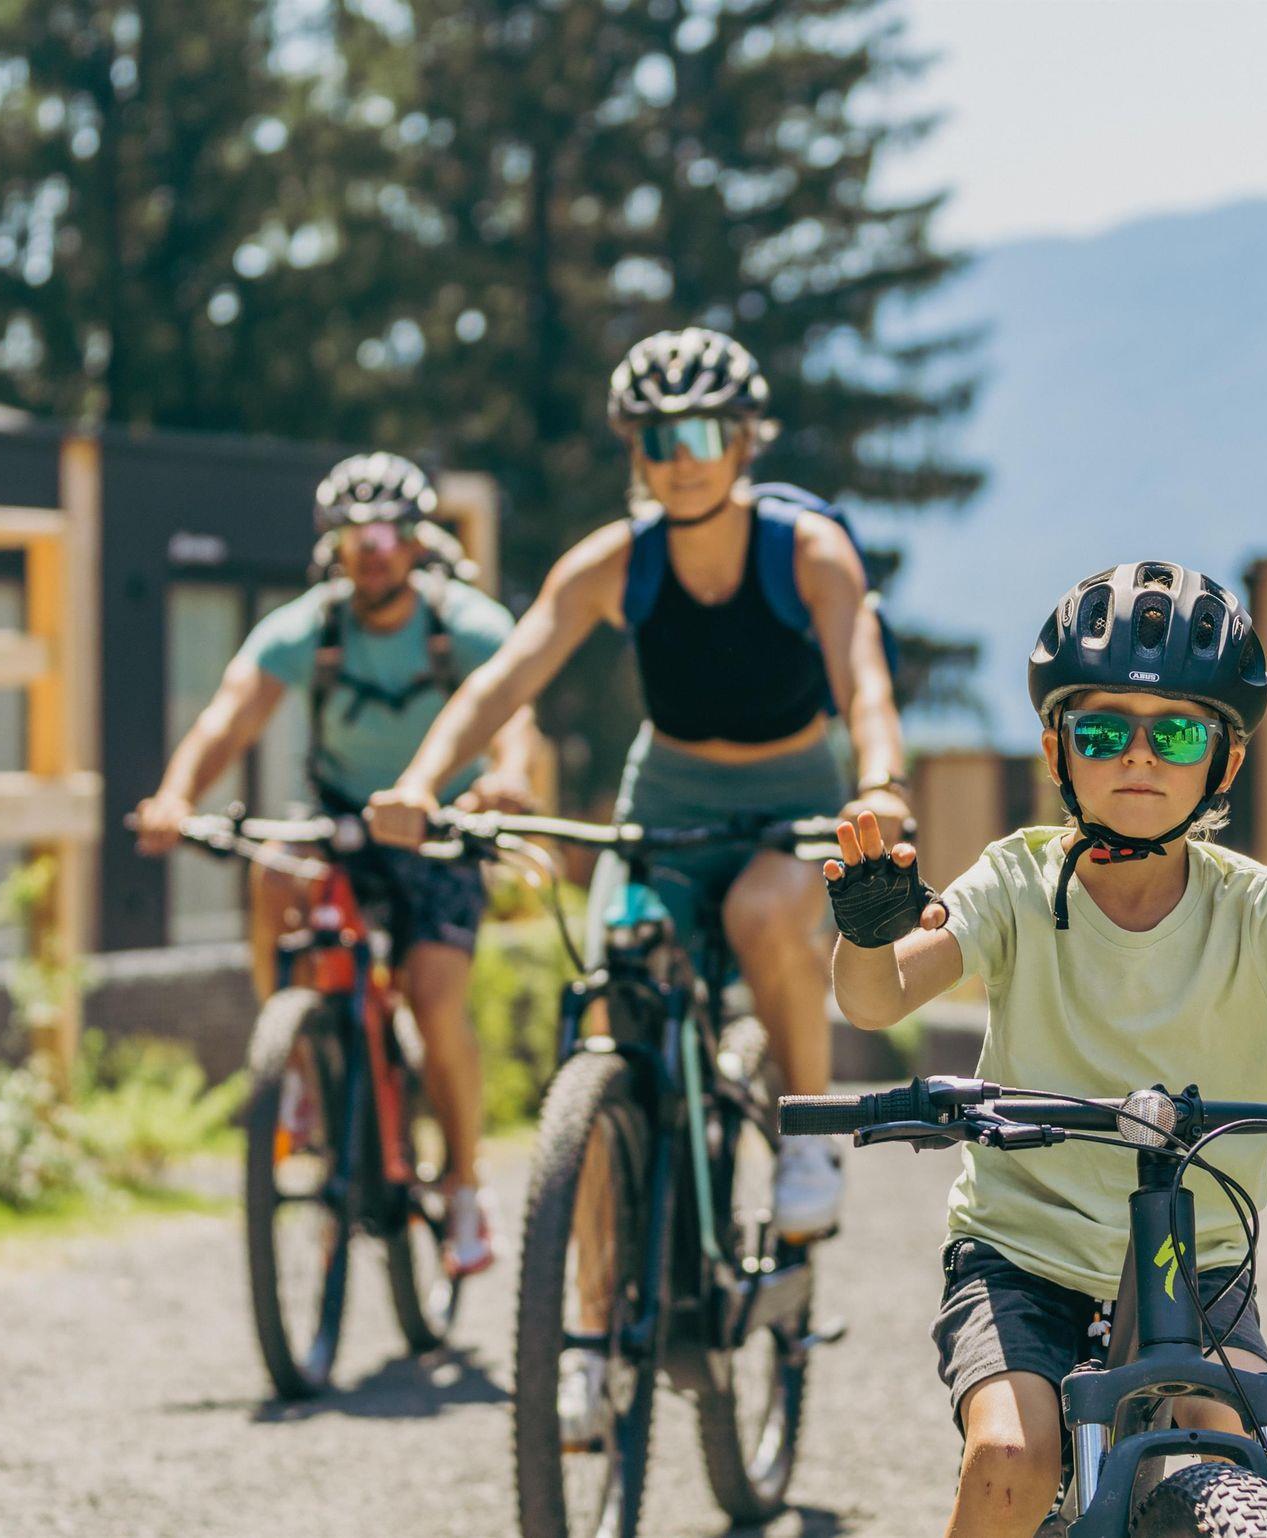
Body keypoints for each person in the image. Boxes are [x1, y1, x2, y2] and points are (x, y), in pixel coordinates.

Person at [820, 560, 1267, 1538]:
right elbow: (879, 997)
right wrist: (867, 937)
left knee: (1249, 1448)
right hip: (1024, 1252)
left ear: (1223, 763)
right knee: (1009, 1458)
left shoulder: (1253, 909)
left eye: (1178, 733)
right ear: (1056, 749)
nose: (1138, 758)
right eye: (1102, 732)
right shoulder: (1018, 881)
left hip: (1200, 1262)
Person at [364, 328, 911, 1426]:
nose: (682, 458)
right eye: (658, 438)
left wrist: (882, 782)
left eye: (704, 432)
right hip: (665, 793)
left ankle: (808, 1141)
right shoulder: (614, 562)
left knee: (764, 912)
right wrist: (420, 779)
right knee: (612, 1001)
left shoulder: (807, 551)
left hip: (793, 791)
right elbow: (503, 679)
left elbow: (864, 681)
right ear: (636, 451)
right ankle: (589, 1335)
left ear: (744, 439)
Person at [134, 452, 541, 1277]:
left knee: (435, 1000)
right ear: (334, 547)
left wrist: (507, 778)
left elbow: (512, 716)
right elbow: (230, 715)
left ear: (416, 541)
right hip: (342, 817)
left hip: (440, 828)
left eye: (387, 535)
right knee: (274, 871)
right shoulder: (309, 628)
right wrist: (175, 796)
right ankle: (296, 1055)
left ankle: (466, 1183)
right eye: (355, 537)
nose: (372, 552)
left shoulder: (465, 624)